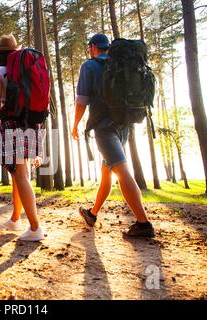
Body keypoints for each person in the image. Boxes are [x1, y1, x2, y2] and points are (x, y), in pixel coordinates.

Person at [71, 33, 155, 238]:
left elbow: (81, 100)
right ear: (108, 47)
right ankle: (92, 214)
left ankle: (143, 224)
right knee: (107, 171)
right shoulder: (118, 64)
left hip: (104, 127)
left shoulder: (89, 66)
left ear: (92, 47)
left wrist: (75, 125)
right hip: (124, 125)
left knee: (122, 170)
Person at [0, 34, 45, 241]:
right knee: (19, 174)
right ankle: (15, 219)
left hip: (12, 123)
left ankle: (35, 227)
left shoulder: (0, 71)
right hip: (32, 121)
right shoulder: (26, 68)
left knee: (20, 175)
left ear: (0, 53)